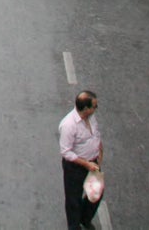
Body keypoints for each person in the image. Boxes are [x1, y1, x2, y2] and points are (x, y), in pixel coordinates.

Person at [58, 91, 103, 230]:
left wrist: (99, 153)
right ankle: (74, 226)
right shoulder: (69, 125)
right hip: (76, 167)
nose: (96, 108)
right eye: (94, 106)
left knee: (96, 193)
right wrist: (86, 163)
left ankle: (85, 218)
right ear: (85, 108)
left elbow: (95, 135)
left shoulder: (91, 117)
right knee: (74, 199)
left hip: (93, 163)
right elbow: (66, 151)